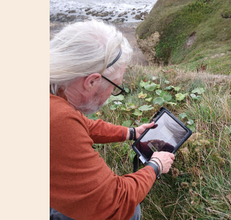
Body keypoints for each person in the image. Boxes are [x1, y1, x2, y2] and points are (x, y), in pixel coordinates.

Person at [50, 19, 175, 220]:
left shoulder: (55, 98)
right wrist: (156, 166)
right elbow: (117, 201)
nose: (112, 93)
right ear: (91, 81)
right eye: (115, 86)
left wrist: (132, 132)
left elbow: (83, 125)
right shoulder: (57, 120)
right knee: (131, 211)